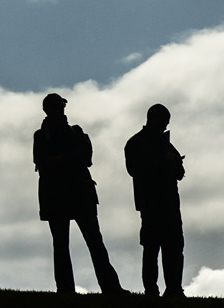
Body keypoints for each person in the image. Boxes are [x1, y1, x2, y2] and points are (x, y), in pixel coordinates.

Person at [34, 93, 124, 295]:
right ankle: (68, 289)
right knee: (65, 245)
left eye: (61, 105)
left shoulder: (74, 132)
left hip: (76, 193)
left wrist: (62, 158)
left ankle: (109, 287)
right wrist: (71, 157)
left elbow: (85, 157)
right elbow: (45, 163)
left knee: (93, 241)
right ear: (48, 110)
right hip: (61, 195)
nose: (61, 109)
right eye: (57, 106)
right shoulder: (43, 135)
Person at [124, 104, 186, 297]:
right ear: (154, 119)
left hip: (169, 203)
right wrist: (163, 160)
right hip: (151, 203)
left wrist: (174, 162)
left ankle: (174, 289)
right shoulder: (136, 143)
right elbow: (134, 169)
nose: (166, 126)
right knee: (152, 248)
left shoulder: (160, 142)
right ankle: (151, 290)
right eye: (164, 122)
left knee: (173, 247)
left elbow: (180, 173)